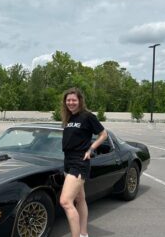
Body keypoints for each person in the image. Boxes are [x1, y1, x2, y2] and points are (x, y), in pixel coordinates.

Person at [59, 87, 108, 237]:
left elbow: (103, 134)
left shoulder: (87, 117)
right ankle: (84, 233)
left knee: (66, 202)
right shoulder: (69, 117)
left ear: (80, 100)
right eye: (68, 100)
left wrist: (91, 149)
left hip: (80, 162)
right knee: (80, 199)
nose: (71, 102)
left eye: (74, 99)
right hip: (68, 161)